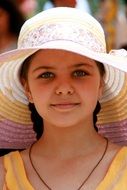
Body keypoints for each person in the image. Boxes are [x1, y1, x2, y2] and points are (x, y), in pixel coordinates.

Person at [0, 7, 127, 189]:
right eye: (46, 75)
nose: (64, 88)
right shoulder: (3, 173)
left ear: (101, 83)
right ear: (27, 87)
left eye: (80, 72)